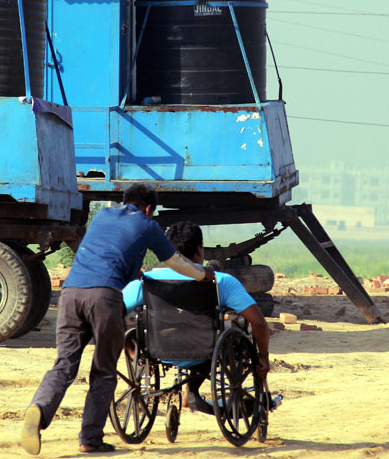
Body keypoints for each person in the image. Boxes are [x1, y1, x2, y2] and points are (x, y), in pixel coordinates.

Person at [20, 184, 214, 455]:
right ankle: (90, 438)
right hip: (105, 296)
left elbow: (110, 251)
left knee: (64, 365)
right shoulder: (147, 225)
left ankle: (38, 409)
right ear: (148, 208)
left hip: (70, 294)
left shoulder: (101, 217)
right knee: (103, 370)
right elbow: (176, 263)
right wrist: (204, 274)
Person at [122, 221, 271, 415]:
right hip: (206, 352)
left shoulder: (146, 282)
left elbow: (111, 315)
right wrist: (263, 357)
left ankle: (191, 394)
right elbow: (259, 322)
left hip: (158, 350)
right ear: (199, 250)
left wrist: (132, 350)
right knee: (235, 334)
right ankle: (195, 392)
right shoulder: (220, 281)